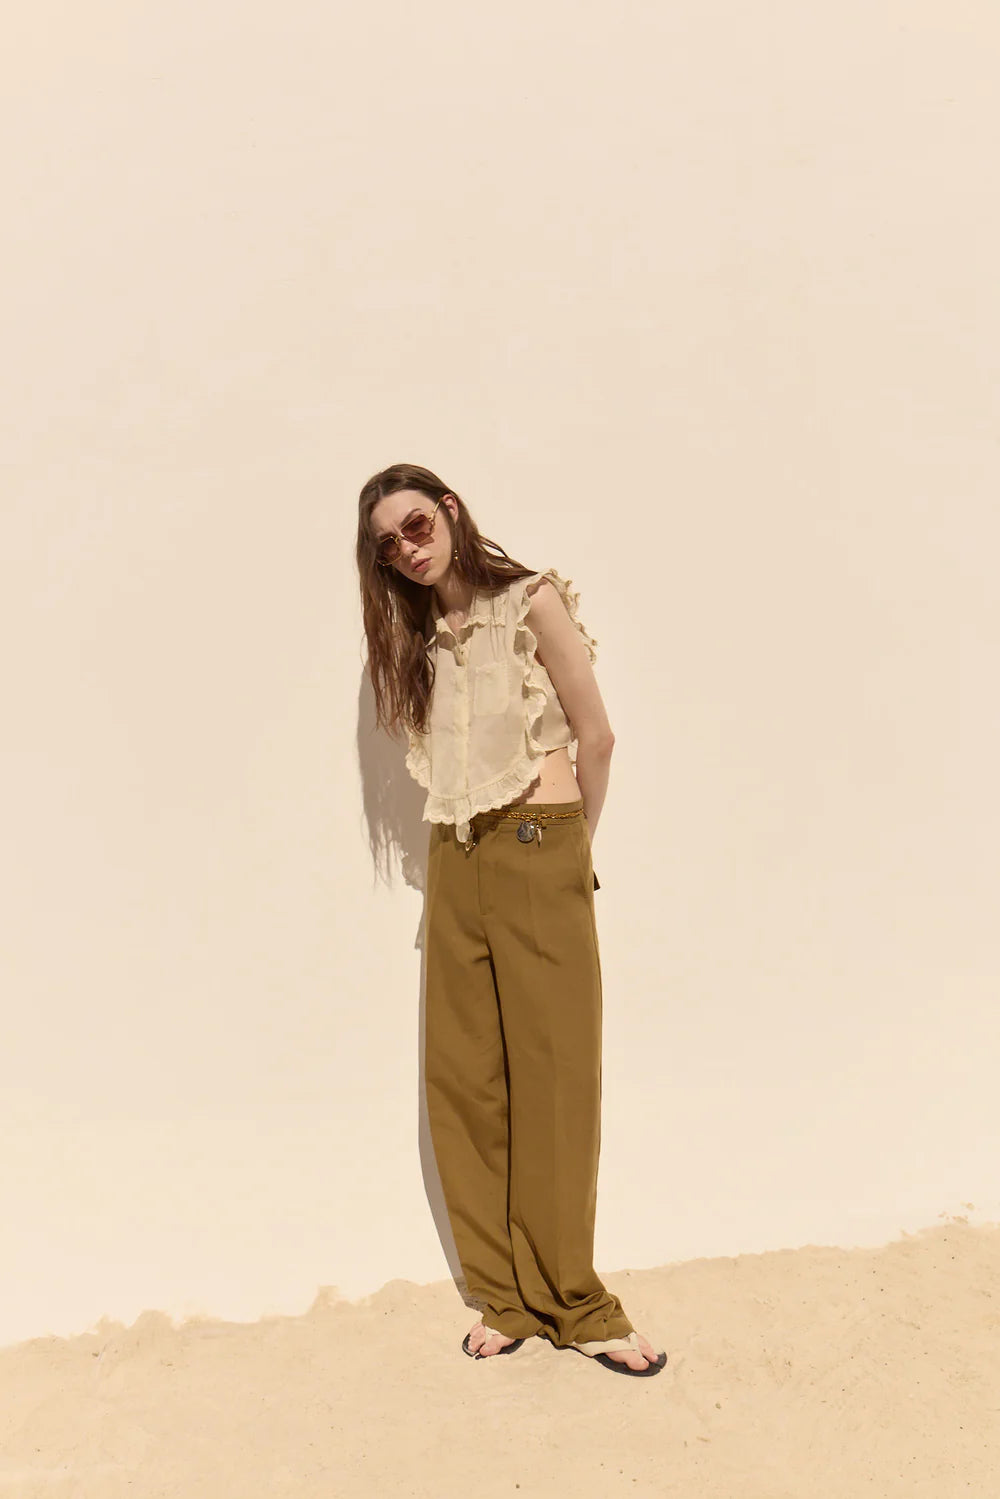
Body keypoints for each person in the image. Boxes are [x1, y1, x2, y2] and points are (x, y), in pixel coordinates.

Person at [355, 462, 667, 1377]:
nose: (408, 550)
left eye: (416, 525)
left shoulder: (530, 600)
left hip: (539, 838)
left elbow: (595, 733)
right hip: (453, 857)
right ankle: (505, 1294)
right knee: (463, 1081)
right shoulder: (424, 638)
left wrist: (569, 848)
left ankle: (577, 1300)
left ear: (448, 509)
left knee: (556, 1075)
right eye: (387, 546)